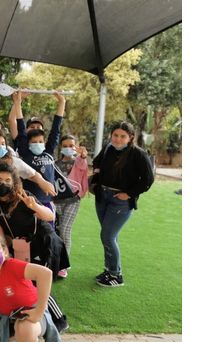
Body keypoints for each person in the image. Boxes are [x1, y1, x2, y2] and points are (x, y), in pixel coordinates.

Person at [0, 161, 69, 278]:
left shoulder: (23, 196)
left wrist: (35, 207)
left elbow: (50, 216)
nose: (3, 184)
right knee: (22, 278)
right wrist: (3, 249)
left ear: (14, 182)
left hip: (43, 242)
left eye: (8, 180)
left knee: (39, 279)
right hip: (21, 245)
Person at [92, 122, 154, 287]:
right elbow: (97, 162)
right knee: (109, 236)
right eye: (115, 135)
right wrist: (97, 175)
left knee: (108, 236)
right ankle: (109, 270)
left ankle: (116, 275)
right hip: (102, 197)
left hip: (120, 201)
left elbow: (148, 179)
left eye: (123, 136)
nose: (118, 139)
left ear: (130, 137)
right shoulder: (108, 148)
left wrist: (129, 194)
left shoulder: (138, 154)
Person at [10, 90, 66, 218]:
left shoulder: (48, 151)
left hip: (47, 202)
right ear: (28, 143)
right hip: (28, 201)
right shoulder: (25, 152)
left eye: (40, 141)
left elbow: (56, 129)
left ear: (45, 142)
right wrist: (18, 103)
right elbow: (20, 127)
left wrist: (62, 102)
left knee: (48, 228)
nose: (37, 144)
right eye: (34, 142)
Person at [0, 128, 55, 197]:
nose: (1, 147)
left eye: (3, 144)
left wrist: (42, 182)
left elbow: (31, 174)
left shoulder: (11, 161)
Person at [53, 135, 89, 278]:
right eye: (65, 146)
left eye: (71, 146)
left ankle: (64, 265)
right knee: (56, 231)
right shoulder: (55, 164)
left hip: (73, 201)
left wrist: (83, 156)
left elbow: (83, 165)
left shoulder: (78, 162)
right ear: (61, 147)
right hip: (57, 201)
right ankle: (55, 261)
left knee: (65, 230)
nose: (68, 148)